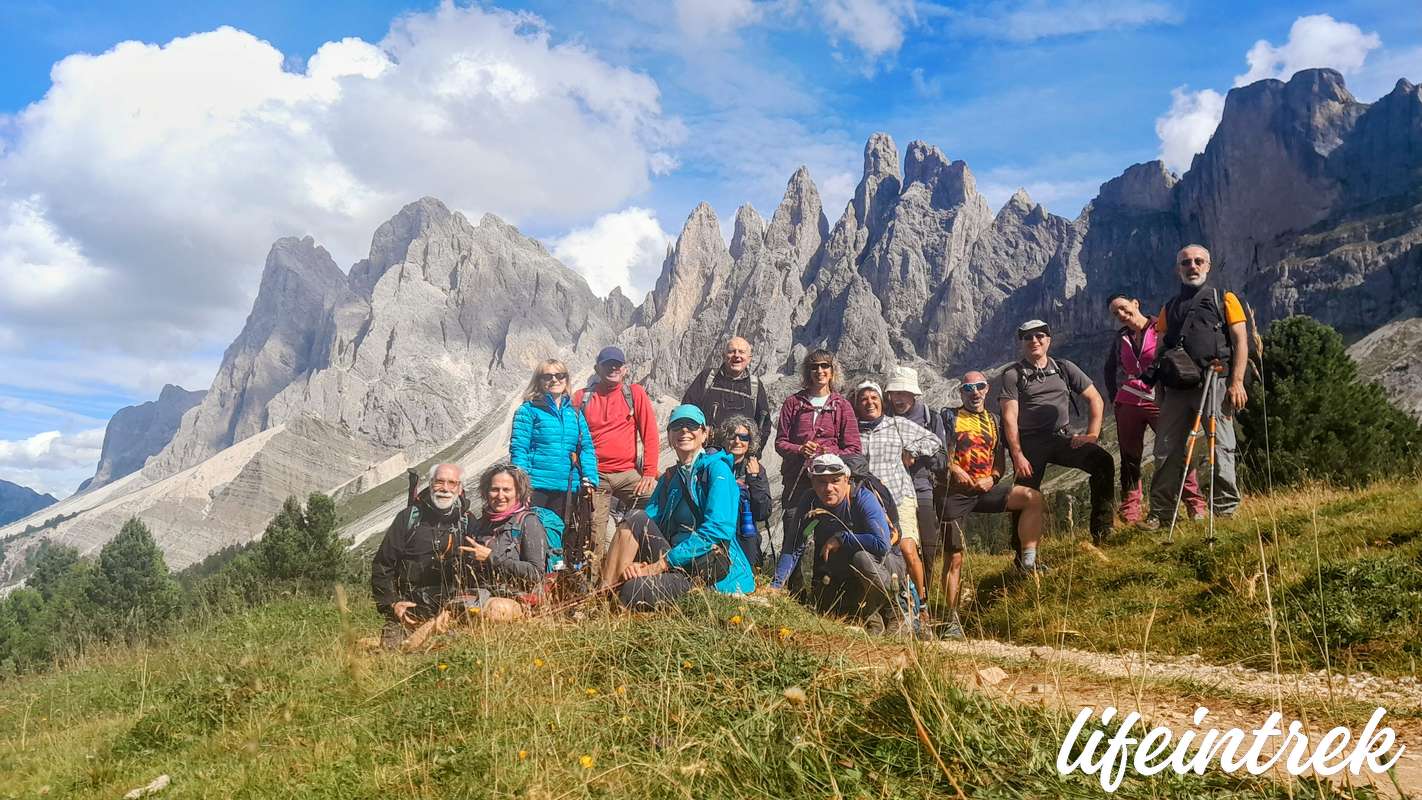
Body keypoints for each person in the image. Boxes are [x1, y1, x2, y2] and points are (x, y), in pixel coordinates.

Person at [597, 404, 755, 610]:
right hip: (675, 563)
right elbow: (648, 524)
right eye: (677, 426)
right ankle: (601, 597)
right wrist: (639, 563)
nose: (684, 431)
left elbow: (718, 529)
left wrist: (661, 564)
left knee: (632, 591)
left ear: (704, 433)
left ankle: (609, 601)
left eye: (691, 425)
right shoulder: (671, 477)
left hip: (707, 571)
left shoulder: (717, 470)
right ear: (670, 436)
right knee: (635, 517)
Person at [1146, 244, 1249, 528]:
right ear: (1178, 269)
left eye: (1198, 261)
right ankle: (1161, 514)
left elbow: (1241, 341)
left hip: (1216, 382)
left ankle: (1225, 511)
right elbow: (1161, 349)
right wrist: (1160, 390)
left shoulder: (1224, 299)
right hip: (1176, 389)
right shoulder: (1168, 307)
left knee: (1221, 447)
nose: (1192, 266)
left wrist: (1237, 382)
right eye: (1186, 262)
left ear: (1208, 266)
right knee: (1165, 449)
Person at [938, 372, 1046, 638]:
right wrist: (953, 468)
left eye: (980, 387)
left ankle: (1028, 562)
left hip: (984, 489)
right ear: (961, 392)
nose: (975, 392)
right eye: (968, 388)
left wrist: (993, 478)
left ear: (987, 389)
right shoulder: (948, 417)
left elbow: (999, 463)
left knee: (1033, 499)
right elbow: (938, 451)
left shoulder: (994, 420)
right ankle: (951, 620)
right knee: (954, 557)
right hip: (954, 493)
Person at [999, 320, 1115, 557]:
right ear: (1022, 343)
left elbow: (1096, 399)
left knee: (1103, 462)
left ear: (1049, 340)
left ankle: (1103, 530)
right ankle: (1022, 557)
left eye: (1040, 336)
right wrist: (1017, 454)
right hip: (1030, 443)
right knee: (1024, 494)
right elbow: (1009, 417)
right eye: (1028, 338)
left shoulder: (1064, 367)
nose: (1034, 341)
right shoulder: (1013, 374)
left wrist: (1092, 434)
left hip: (1062, 438)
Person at [1104, 295, 1205, 525]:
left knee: (1176, 449)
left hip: (1160, 398)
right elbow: (1109, 369)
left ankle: (1195, 504)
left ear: (1135, 303)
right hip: (1128, 401)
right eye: (1115, 313)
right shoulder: (1120, 338)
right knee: (1130, 458)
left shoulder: (1160, 327)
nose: (1120, 314)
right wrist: (1114, 397)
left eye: (1122, 308)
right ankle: (1130, 512)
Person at [770, 349, 862, 590]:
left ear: (833, 371)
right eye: (814, 367)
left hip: (830, 482)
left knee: (827, 532)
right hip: (798, 479)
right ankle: (794, 590)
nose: (820, 371)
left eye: (825, 366)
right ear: (807, 372)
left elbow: (853, 448)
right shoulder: (793, 403)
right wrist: (800, 449)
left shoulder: (841, 405)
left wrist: (828, 454)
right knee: (794, 529)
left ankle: (824, 591)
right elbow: (780, 443)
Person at [852, 380, 942, 606]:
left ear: (882, 402)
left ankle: (922, 605)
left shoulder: (897, 424)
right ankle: (892, 603)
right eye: (863, 399)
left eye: (874, 398)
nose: (869, 403)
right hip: (868, 500)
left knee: (907, 548)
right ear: (856, 404)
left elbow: (933, 441)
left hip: (900, 495)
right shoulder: (852, 431)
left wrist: (911, 450)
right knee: (877, 551)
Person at [799, 453, 911, 634]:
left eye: (835, 481)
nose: (828, 488)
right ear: (813, 482)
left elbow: (883, 544)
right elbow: (793, 544)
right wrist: (776, 585)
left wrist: (842, 538)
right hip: (849, 569)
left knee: (862, 558)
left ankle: (894, 612)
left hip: (887, 564)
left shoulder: (863, 497)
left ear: (846, 479)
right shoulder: (811, 499)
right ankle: (872, 618)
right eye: (821, 481)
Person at [572, 346, 660, 560]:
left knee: (657, 500)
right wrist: (579, 469)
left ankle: (649, 561)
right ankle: (595, 587)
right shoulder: (581, 398)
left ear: (625, 369)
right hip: (596, 476)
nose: (613, 368)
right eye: (607, 364)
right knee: (595, 534)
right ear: (597, 368)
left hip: (628, 473)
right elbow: (571, 438)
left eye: (617, 364)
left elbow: (650, 433)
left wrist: (649, 472)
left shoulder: (634, 394)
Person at [370, 463, 472, 648]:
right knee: (391, 659)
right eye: (439, 482)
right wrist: (392, 605)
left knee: (452, 654)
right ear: (431, 484)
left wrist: (457, 607)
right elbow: (383, 564)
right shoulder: (408, 518)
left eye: (452, 483)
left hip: (451, 611)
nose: (445, 488)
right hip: (409, 611)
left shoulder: (468, 521)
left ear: (460, 488)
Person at [509, 359, 598, 565]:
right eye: (547, 376)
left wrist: (589, 478)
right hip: (536, 485)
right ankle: (534, 576)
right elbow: (519, 449)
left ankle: (559, 579)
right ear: (539, 381)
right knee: (534, 533)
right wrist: (522, 486)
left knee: (566, 534)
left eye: (560, 375)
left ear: (566, 380)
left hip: (568, 486)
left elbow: (586, 447)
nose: (554, 380)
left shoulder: (574, 413)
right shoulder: (527, 410)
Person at [884, 366, 949, 591]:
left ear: (914, 394)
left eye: (904, 393)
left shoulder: (931, 418)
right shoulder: (884, 418)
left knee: (928, 547)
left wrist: (915, 452)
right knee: (898, 547)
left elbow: (942, 460)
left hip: (922, 488)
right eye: (895, 393)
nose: (899, 398)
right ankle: (901, 596)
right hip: (893, 492)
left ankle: (926, 599)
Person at [457, 463, 548, 621]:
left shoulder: (528, 522)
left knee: (495, 609)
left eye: (506, 490)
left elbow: (536, 573)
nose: (500, 496)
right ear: (486, 492)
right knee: (444, 614)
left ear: (518, 493)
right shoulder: (480, 524)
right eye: (494, 489)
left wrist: (492, 558)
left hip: (517, 599)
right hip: (480, 594)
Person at [681, 336, 772, 456]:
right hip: (704, 454)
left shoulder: (755, 386)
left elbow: (764, 425)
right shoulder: (707, 378)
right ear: (724, 356)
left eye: (741, 352)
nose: (736, 355)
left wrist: (754, 455)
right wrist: (700, 432)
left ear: (749, 359)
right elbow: (686, 411)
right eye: (731, 351)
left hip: (739, 458)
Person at [714, 415, 771, 568]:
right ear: (725, 439)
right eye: (732, 436)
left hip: (746, 536)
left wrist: (754, 479)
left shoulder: (757, 470)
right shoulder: (713, 466)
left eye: (744, 437)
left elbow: (763, 512)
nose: (737, 441)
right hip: (718, 532)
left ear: (750, 442)